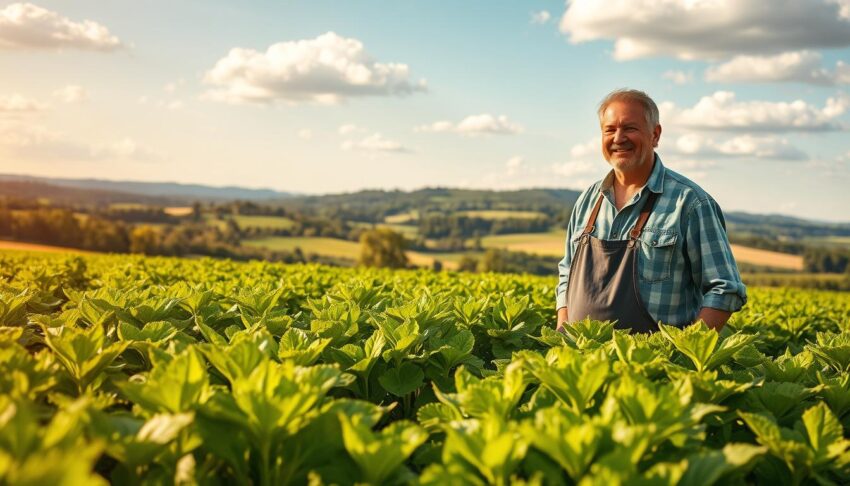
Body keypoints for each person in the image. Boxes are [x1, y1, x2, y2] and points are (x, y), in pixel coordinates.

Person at [555, 89, 746, 333]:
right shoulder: (588, 201)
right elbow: (566, 273)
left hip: (654, 366)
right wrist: (563, 329)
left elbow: (725, 289)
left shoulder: (690, 203)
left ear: (655, 135)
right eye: (610, 129)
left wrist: (683, 353)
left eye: (630, 128)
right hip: (581, 365)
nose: (619, 138)